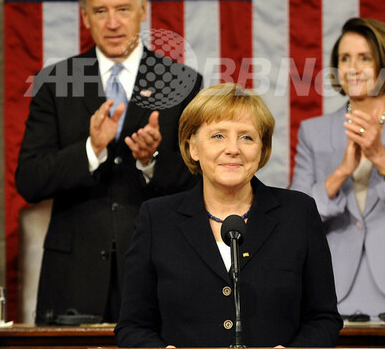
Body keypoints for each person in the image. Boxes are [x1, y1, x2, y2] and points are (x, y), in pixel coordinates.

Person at [16, 0, 203, 324]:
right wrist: (92, 149)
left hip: (157, 271)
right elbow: (30, 180)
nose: (113, 23)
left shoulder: (182, 83)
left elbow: (197, 182)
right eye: (100, 11)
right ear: (85, 16)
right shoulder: (55, 82)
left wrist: (150, 160)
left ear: (143, 10)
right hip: (73, 279)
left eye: (123, 9)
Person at [114, 83, 342, 347]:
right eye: (218, 136)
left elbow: (323, 318)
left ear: (262, 149)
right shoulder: (157, 219)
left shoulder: (298, 213)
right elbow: (132, 327)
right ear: (193, 147)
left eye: (247, 137)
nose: (233, 148)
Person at [290, 17, 385, 322]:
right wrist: (341, 173)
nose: (352, 68)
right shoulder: (313, 131)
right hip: (332, 289)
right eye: (344, 58)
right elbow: (296, 218)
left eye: (364, 58)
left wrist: (381, 158)